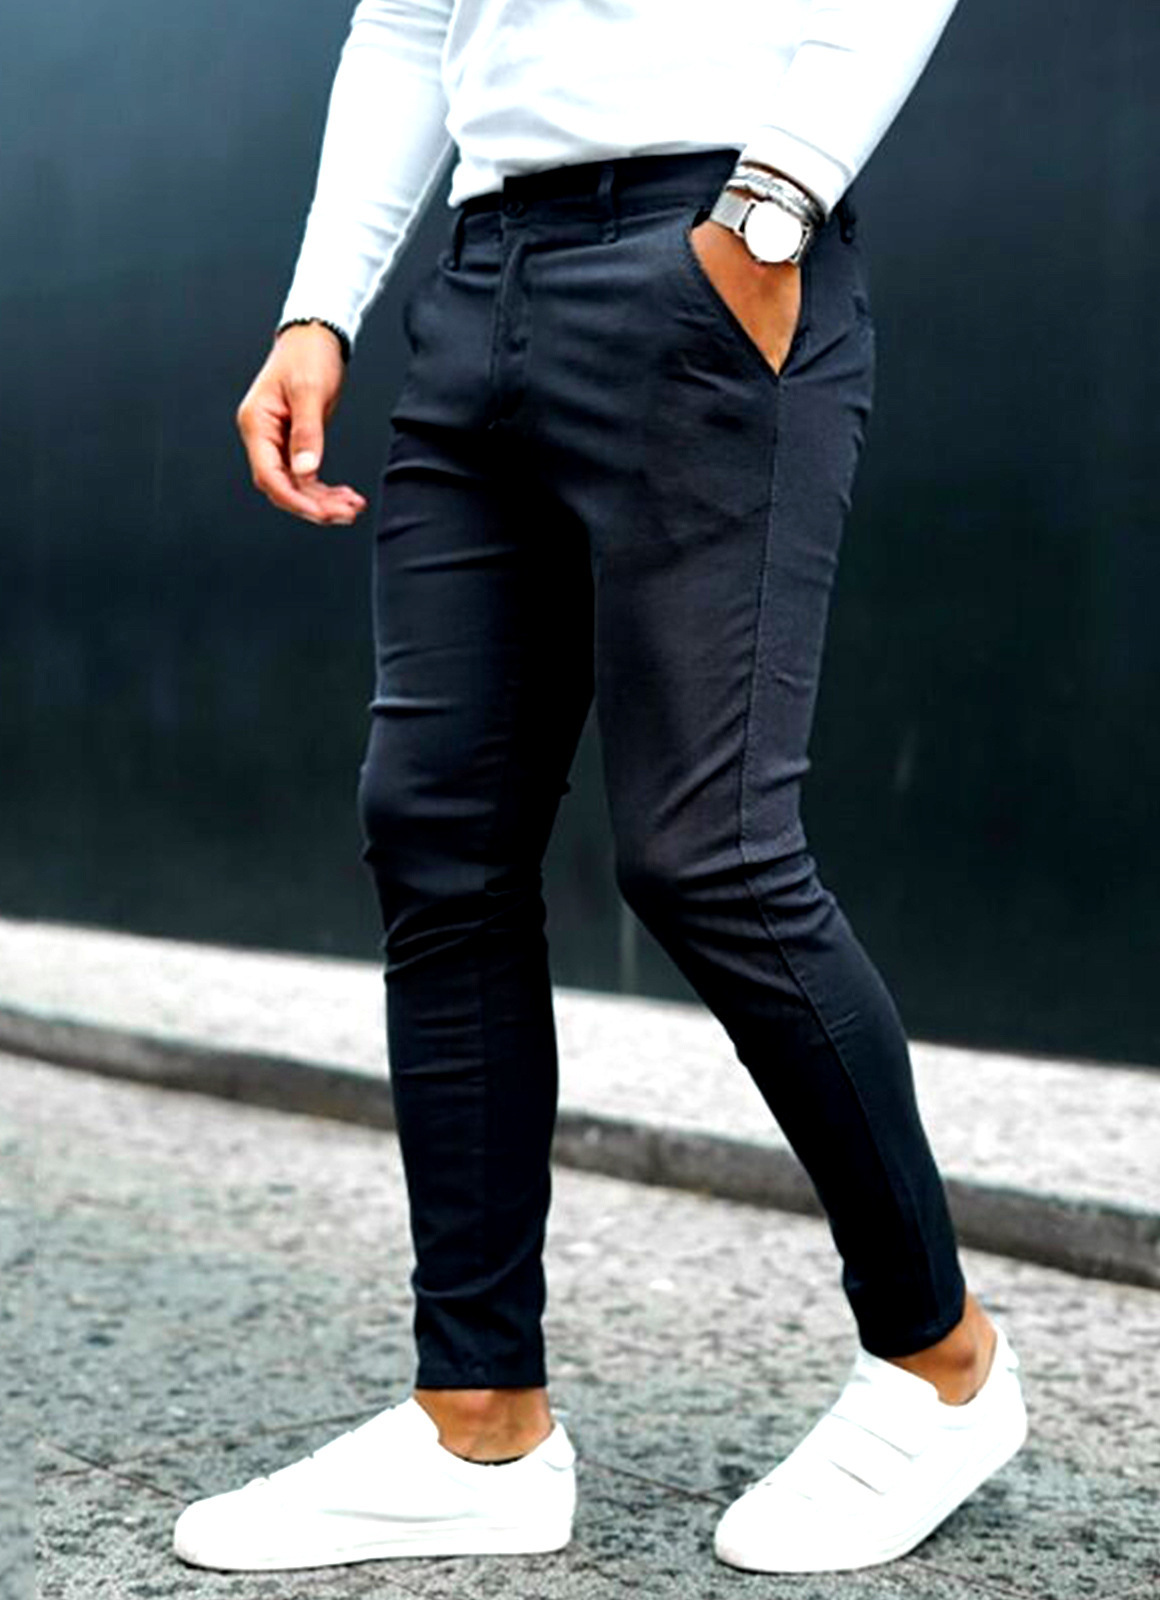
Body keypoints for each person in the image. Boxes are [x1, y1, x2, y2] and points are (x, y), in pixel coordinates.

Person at [174, 0, 1028, 1577]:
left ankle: (942, 1367)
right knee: (437, 836)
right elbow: (407, 22)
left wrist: (773, 203)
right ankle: (478, 1425)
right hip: (480, 282)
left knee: (711, 853)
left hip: (712, 243)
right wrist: (320, 309)